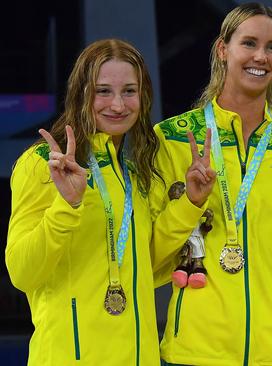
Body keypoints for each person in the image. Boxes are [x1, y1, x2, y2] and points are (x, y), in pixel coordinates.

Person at [149, 3, 272, 365]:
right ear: (223, 50)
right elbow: (151, 257)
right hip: (197, 350)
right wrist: (189, 204)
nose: (261, 56)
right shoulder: (173, 139)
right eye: (249, 43)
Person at [6, 39, 171, 365]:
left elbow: (150, 268)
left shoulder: (140, 168)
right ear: (81, 93)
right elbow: (22, 273)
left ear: (144, 96)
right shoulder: (43, 164)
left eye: (129, 91)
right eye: (103, 91)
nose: (118, 105)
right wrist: (66, 207)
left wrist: (190, 204)